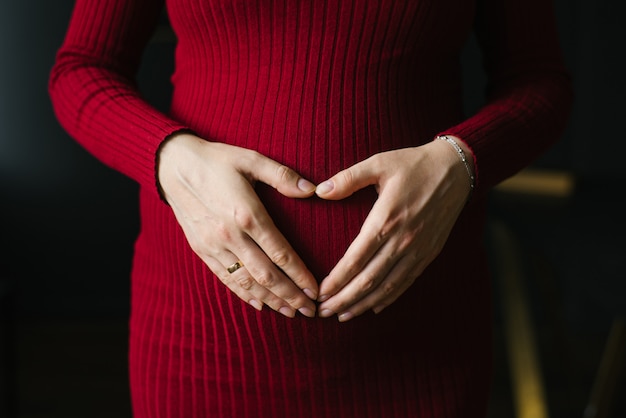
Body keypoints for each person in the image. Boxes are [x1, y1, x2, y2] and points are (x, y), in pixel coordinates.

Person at [49, 0, 572, 416]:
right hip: (200, 344)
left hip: (419, 346)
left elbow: (540, 80)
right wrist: (167, 155)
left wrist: (461, 161)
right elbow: (81, 69)